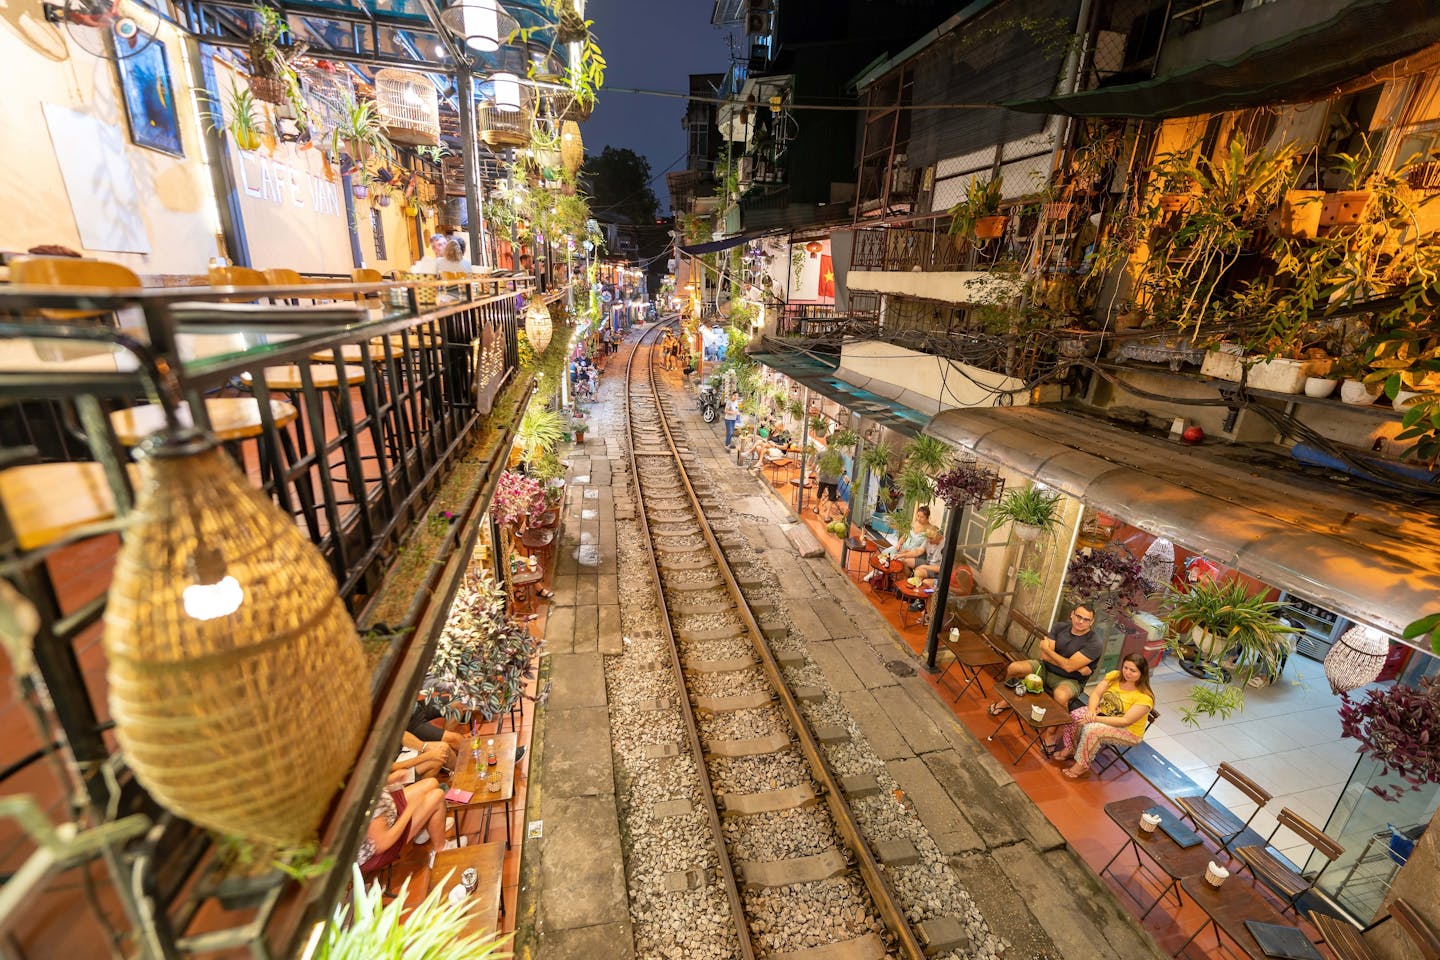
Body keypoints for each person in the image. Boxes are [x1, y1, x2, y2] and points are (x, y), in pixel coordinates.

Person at [988, 602, 1101, 715]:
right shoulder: (1060, 627)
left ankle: (1057, 729)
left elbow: (1066, 666)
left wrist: (1047, 649)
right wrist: (1073, 666)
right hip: (1044, 668)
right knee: (1014, 668)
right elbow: (1045, 657)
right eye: (1078, 616)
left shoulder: (1094, 643)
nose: (1080, 621)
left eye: (1086, 620)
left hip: (1070, 680)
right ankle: (1009, 700)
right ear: (1072, 614)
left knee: (1061, 696)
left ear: (1091, 622)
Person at [1055, 652, 1155, 779]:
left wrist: (1093, 718)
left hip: (1128, 731)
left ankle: (1082, 766)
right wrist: (1091, 711)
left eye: (1133, 671)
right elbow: (1096, 694)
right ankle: (1071, 748)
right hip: (1103, 713)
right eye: (1126, 668)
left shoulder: (1144, 697)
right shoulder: (1115, 676)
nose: (1127, 673)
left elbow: (1125, 721)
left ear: (1142, 673)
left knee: (1092, 730)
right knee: (1075, 716)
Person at [355, 774, 447, 871]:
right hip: (378, 851)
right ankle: (441, 851)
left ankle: (425, 828)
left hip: (388, 810)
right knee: (438, 796)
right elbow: (382, 844)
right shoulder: (365, 804)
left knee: (432, 783)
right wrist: (409, 809)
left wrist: (389, 780)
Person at [867, 506, 930, 585]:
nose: (919, 519)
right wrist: (899, 543)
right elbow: (905, 535)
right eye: (918, 516)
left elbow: (920, 550)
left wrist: (906, 552)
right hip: (902, 547)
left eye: (922, 517)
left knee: (894, 559)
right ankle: (876, 575)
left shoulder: (928, 530)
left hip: (913, 554)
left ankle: (885, 579)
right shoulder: (914, 523)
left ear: (927, 518)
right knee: (885, 553)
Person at [908, 525, 946, 609]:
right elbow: (919, 551)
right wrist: (902, 555)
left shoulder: (945, 546)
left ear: (939, 537)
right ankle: (909, 591)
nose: (929, 541)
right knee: (906, 561)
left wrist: (924, 567)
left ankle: (919, 601)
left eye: (931, 539)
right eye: (928, 538)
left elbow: (941, 569)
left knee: (918, 573)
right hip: (928, 563)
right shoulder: (929, 538)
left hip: (936, 570)